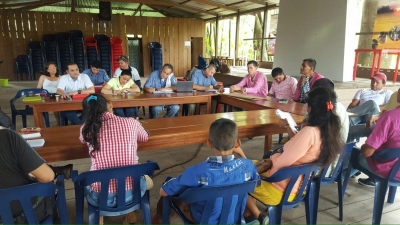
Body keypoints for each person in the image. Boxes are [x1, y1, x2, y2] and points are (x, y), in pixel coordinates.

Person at [244, 87, 343, 224]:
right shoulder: (329, 129)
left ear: (310, 108)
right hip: (299, 186)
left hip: (281, 189)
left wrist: (272, 158)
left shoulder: (309, 132)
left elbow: (281, 163)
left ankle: (257, 215)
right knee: (250, 165)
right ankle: (249, 213)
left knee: (239, 178)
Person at [152, 118, 259, 224]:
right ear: (238, 143)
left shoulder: (197, 172)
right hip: (233, 218)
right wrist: (242, 155)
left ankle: (160, 219)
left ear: (209, 143)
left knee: (170, 190)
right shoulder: (248, 166)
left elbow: (163, 191)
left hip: (203, 219)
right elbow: (257, 182)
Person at [79, 94, 150, 224]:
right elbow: (145, 137)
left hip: (100, 198)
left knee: (85, 179)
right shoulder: (131, 122)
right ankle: (130, 214)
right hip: (133, 195)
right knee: (137, 175)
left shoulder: (86, 129)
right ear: (110, 104)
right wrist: (138, 125)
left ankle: (99, 217)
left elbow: (83, 140)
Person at [0, 127, 72, 223]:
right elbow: (47, 177)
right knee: (49, 180)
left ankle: (53, 170)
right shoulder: (7, 137)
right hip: (28, 213)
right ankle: (55, 171)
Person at [353, 89, 400, 187]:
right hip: (396, 166)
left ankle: (339, 177)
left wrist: (363, 146)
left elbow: (367, 152)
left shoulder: (390, 117)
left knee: (352, 153)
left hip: (387, 169)